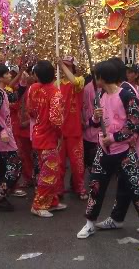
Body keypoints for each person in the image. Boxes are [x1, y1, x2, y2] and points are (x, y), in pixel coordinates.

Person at [76, 60, 139, 243]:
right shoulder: (100, 95)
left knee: (137, 187)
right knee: (96, 187)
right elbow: (95, 122)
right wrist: (95, 118)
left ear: (102, 77)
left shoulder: (126, 94)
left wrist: (115, 138)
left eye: (96, 76)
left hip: (124, 151)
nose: (94, 79)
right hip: (104, 150)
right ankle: (90, 223)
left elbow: (138, 119)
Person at [28, 60, 67, 217]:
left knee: (49, 171)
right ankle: (38, 204)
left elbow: (31, 111)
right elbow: (56, 120)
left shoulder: (33, 89)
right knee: (49, 173)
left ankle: (51, 201)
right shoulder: (55, 92)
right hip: (49, 137)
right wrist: (59, 136)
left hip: (37, 134)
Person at [0, 62, 23, 211]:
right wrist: (1, 131)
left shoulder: (1, 92)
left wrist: (23, 83)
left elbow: (14, 97)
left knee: (0, 169)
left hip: (0, 139)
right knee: (15, 167)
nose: (9, 75)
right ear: (0, 77)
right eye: (7, 73)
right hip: (3, 139)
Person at [57, 56, 87, 199]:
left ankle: (79, 187)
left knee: (77, 162)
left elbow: (73, 81)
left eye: (68, 66)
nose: (65, 68)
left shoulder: (79, 80)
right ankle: (59, 189)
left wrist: (61, 66)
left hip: (74, 129)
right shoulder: (57, 84)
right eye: (64, 65)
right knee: (59, 163)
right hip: (59, 131)